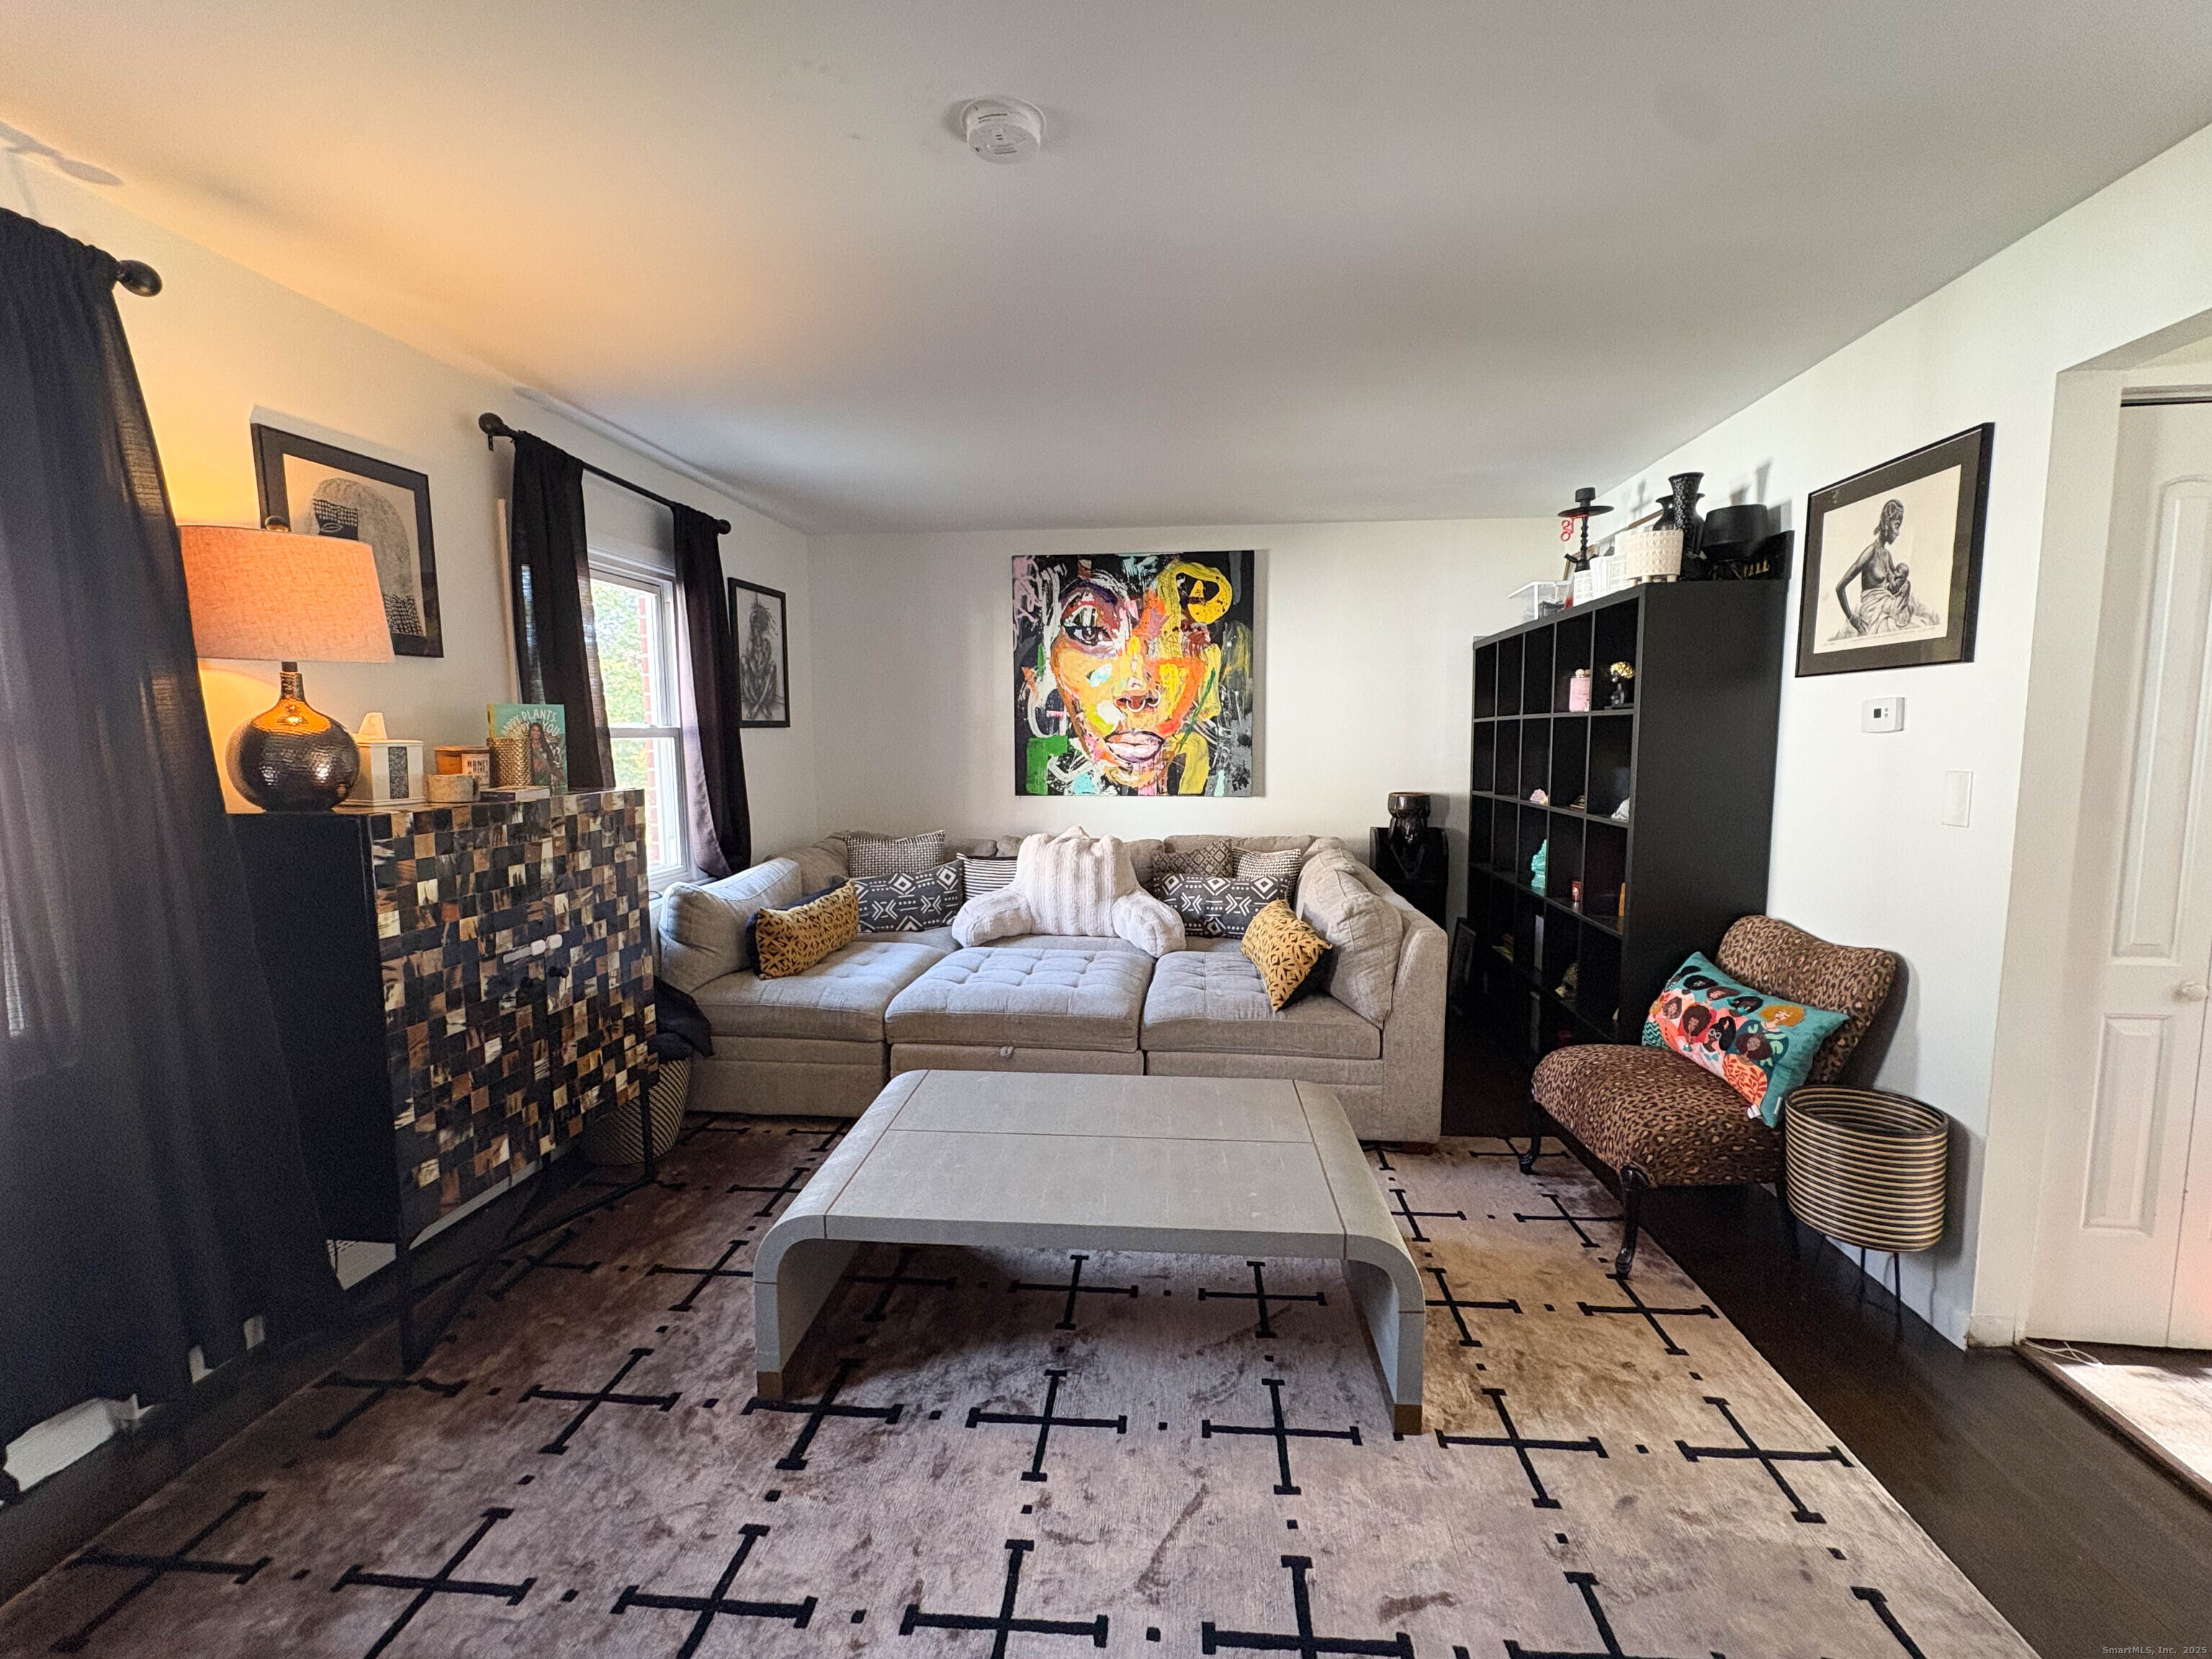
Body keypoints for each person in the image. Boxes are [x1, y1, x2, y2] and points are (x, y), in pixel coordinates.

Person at [1833, 498, 1938, 637]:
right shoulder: (1870, 553)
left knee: (1924, 624)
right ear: (1887, 524)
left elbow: (1894, 587)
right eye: (1897, 525)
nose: (1898, 532)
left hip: (1888, 612)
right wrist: (1853, 619)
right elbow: (1840, 587)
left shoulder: (1888, 556)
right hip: (1872, 618)